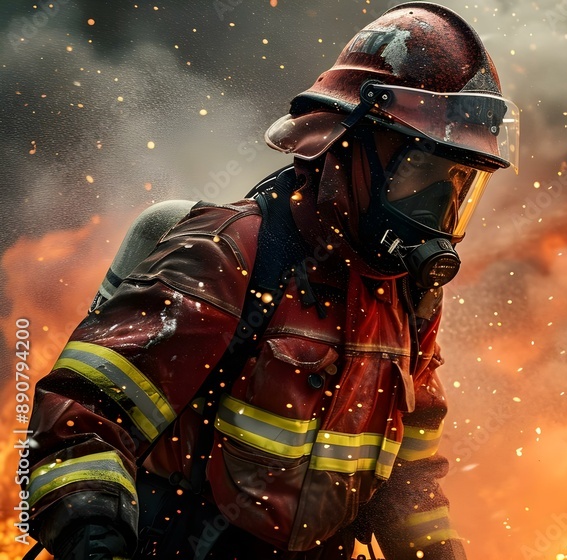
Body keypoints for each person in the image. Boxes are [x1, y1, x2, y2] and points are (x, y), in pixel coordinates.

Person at [22, 2, 519, 559]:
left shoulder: (412, 297)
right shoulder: (230, 256)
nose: (439, 209)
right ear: (344, 146)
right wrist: (98, 541)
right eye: (420, 172)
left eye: (459, 183)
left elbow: (408, 478)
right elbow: (80, 421)